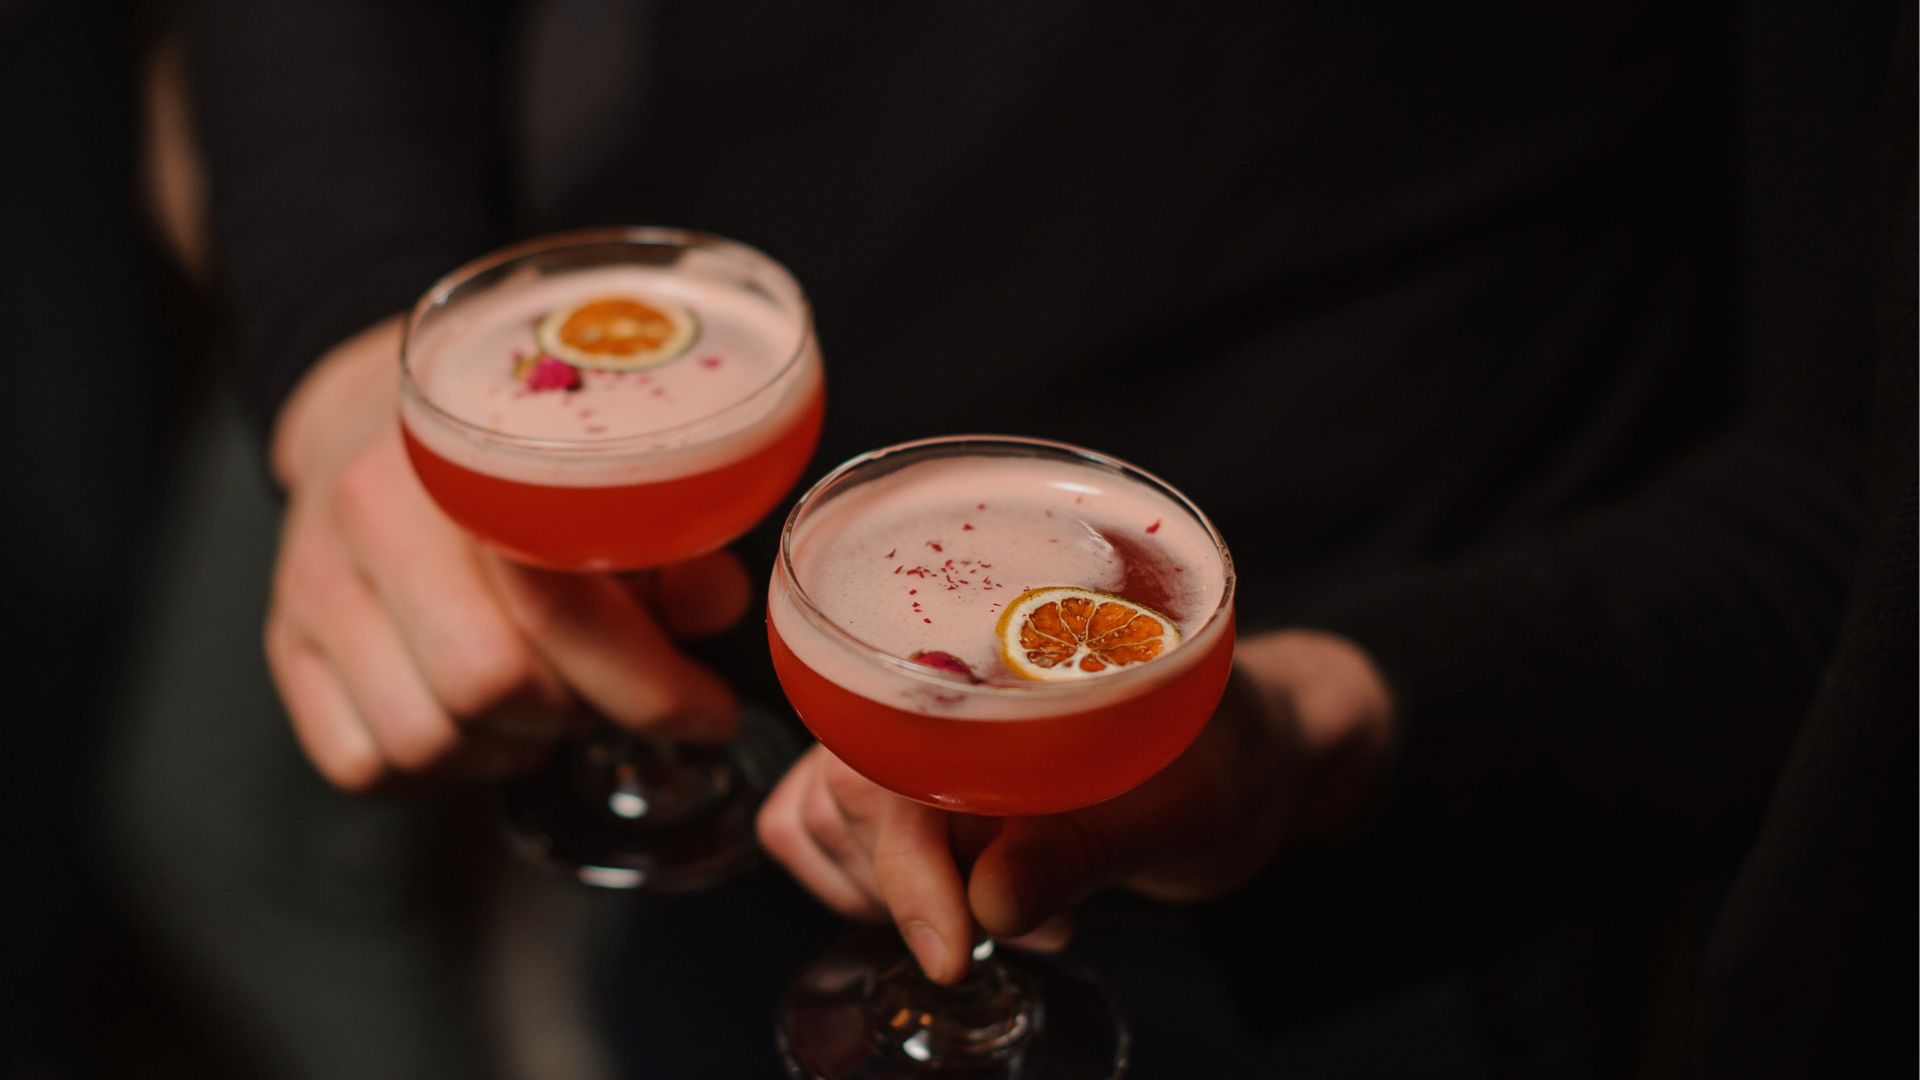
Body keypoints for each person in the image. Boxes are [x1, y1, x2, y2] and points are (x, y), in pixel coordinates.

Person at [183, 0, 1908, 1075]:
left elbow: (1847, 503)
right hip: (781, 798)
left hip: (1387, 901)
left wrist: (1320, 725)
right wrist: (350, 356)